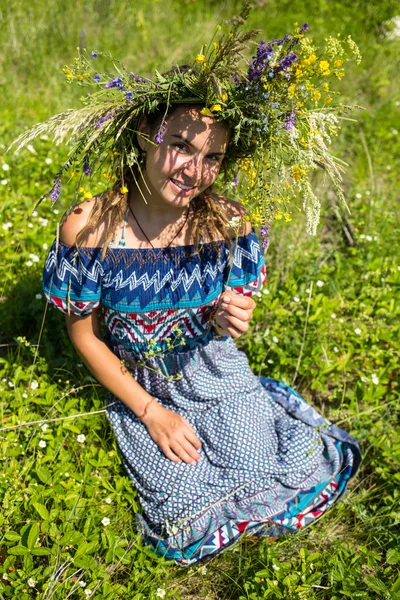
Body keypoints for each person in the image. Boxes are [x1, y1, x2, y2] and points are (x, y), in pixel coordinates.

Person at [16, 8, 361, 565]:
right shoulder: (89, 226)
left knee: (258, 466)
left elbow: (233, 317)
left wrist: (234, 317)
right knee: (184, 497)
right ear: (145, 138)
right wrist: (151, 412)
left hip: (213, 369)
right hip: (140, 380)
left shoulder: (229, 222)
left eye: (213, 157)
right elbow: (85, 338)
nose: (194, 170)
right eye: (181, 145)